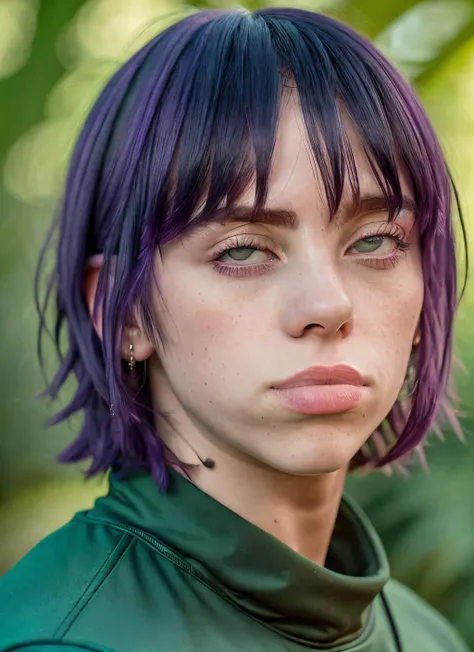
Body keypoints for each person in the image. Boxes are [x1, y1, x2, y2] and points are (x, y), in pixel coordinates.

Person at [0, 7, 469, 652]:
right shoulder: (60, 642)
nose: (329, 305)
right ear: (122, 311)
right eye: (243, 251)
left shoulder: (428, 638)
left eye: (376, 241)